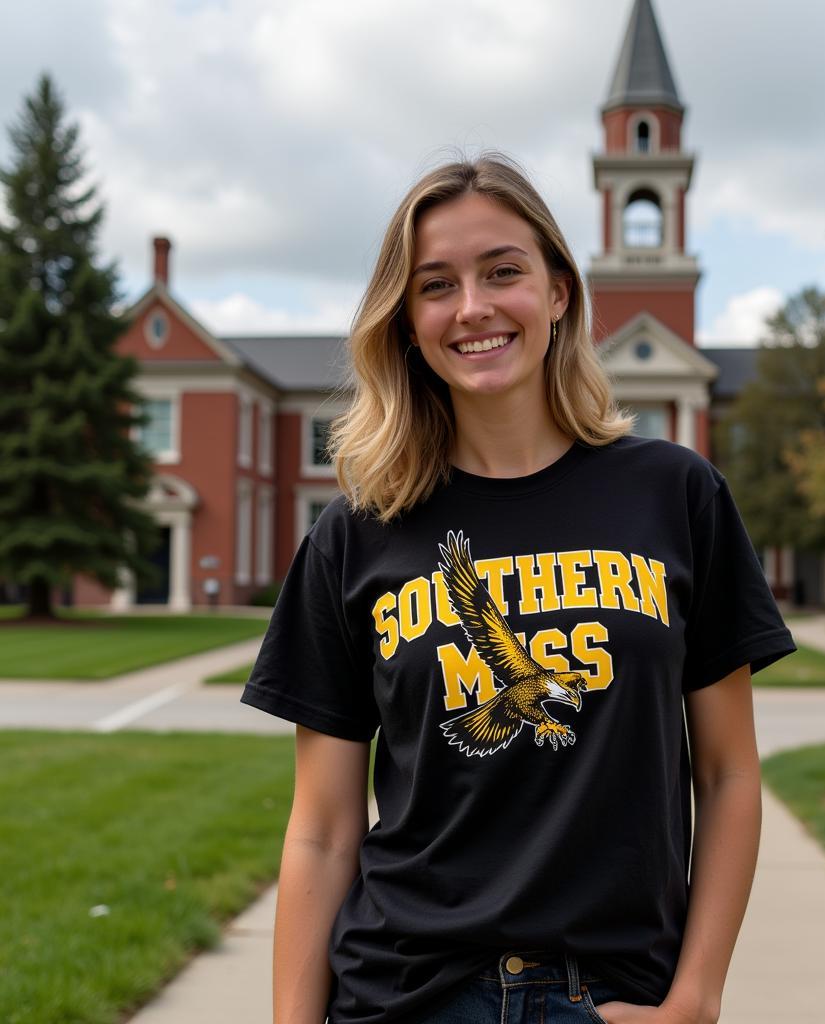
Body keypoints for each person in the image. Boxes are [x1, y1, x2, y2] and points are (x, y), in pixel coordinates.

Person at [240, 152, 796, 1024]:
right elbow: (321, 828)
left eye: (504, 271)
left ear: (559, 291)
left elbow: (727, 773)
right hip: (407, 996)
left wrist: (695, 1001)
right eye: (436, 284)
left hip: (613, 993)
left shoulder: (676, 495)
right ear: (408, 321)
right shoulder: (356, 534)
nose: (474, 307)